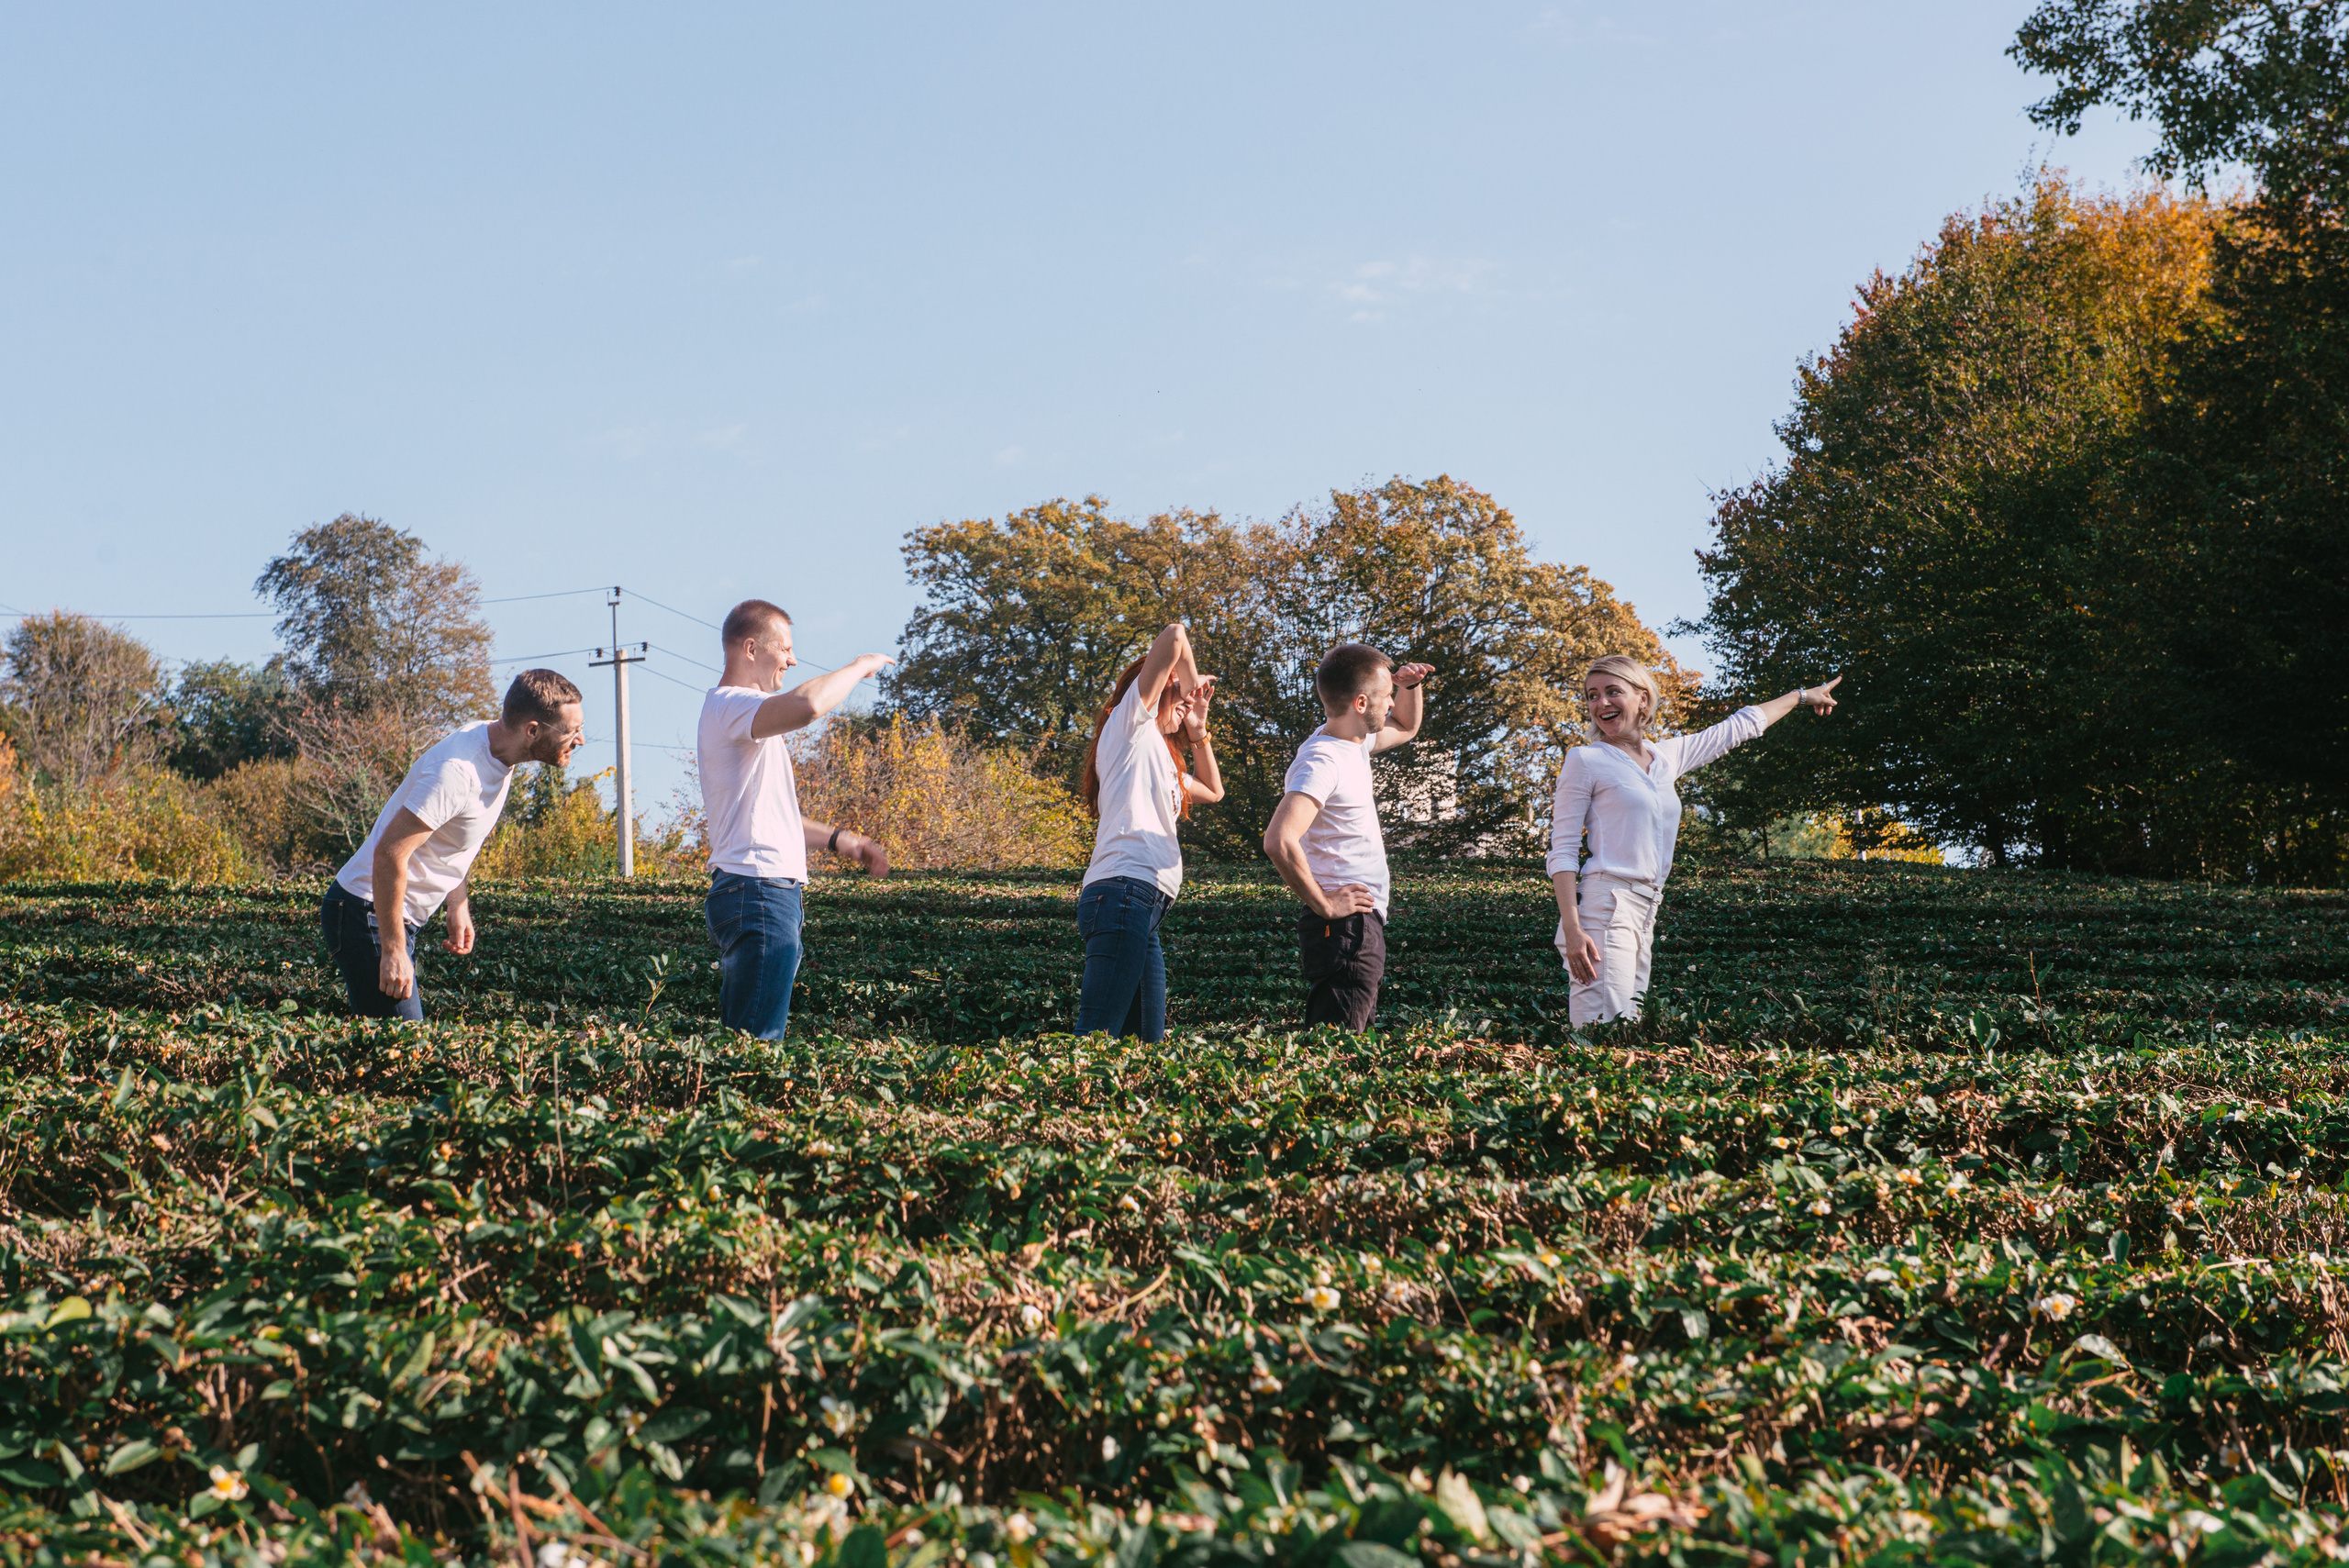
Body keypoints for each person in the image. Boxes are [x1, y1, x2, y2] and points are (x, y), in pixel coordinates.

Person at [1549, 655, 1842, 1025]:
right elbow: (1562, 851)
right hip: (1605, 906)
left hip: (1646, 909)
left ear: (1642, 698)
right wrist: (1573, 931)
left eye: (1612, 691)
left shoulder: (1665, 757)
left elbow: (1739, 726)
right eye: (1592, 695)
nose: (1601, 703)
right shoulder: (1586, 759)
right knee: (1604, 1031)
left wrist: (1802, 696)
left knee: (1627, 1031)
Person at [321, 669, 586, 1020]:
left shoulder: (498, 750)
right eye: (571, 731)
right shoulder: (457, 772)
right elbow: (389, 853)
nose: (579, 741)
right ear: (532, 730)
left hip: (392, 914)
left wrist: (457, 901)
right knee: (410, 1056)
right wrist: (394, 948)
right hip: (364, 911)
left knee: (392, 1057)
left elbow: (453, 837)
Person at [699, 598, 894, 1040]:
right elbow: (807, 705)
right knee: (756, 1047)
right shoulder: (732, 704)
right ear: (752, 649)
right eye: (784, 648)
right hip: (759, 891)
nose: (792, 659)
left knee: (744, 1043)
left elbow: (771, 815)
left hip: (758, 890)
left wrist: (841, 840)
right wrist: (859, 667)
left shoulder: (735, 716)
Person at [1262, 642, 1435, 1031]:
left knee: (1349, 1048)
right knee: (1338, 1056)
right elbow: (1278, 840)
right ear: (1360, 703)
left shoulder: (1353, 743)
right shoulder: (1322, 760)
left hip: (1355, 925)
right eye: (1386, 696)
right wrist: (1324, 904)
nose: (1391, 703)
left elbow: (1407, 726)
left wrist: (1409, 686)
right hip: (1344, 927)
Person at [1074, 622, 1225, 1040]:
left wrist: (1198, 730)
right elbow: (1175, 635)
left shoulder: (1165, 759)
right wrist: (1190, 683)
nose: (1186, 706)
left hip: (1146, 903)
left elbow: (1214, 790)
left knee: (1145, 1045)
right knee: (1097, 1035)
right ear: (1157, 691)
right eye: (1178, 700)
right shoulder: (1130, 728)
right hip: (1123, 891)